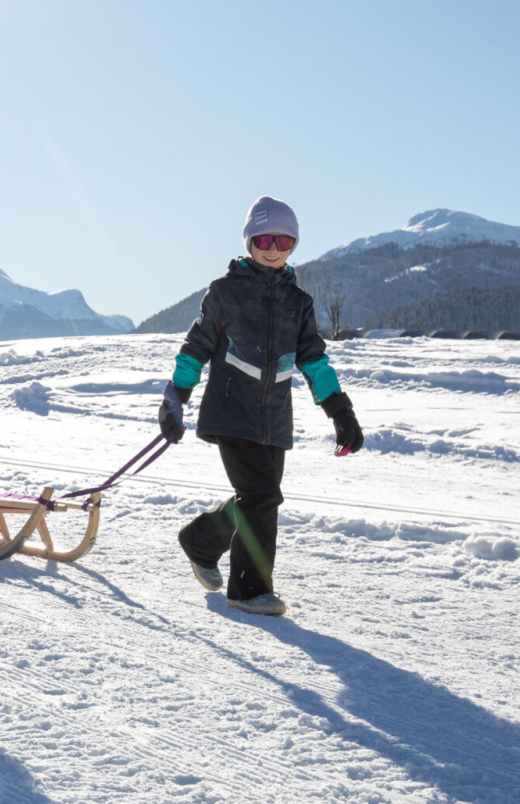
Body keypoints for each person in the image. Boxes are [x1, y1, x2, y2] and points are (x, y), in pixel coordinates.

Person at [157, 196, 366, 617]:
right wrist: (175, 397)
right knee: (262, 496)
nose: (273, 247)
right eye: (265, 238)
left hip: (274, 418)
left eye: (284, 241)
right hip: (231, 413)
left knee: (255, 498)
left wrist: (341, 411)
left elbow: (314, 361)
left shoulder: (298, 302)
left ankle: (199, 540)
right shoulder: (225, 292)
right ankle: (249, 589)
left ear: (293, 246)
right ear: (250, 240)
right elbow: (195, 349)